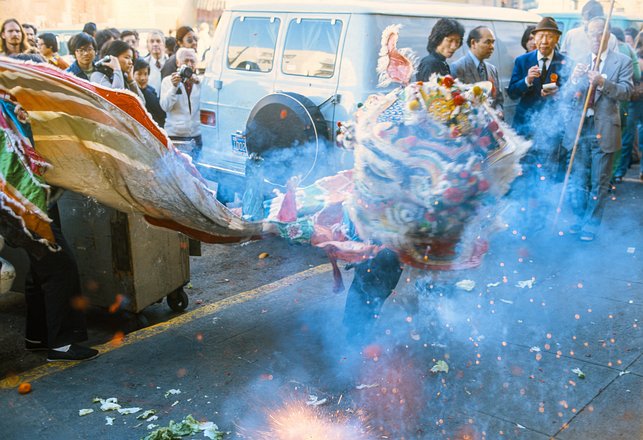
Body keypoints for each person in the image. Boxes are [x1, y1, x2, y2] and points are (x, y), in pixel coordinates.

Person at [563, 17, 633, 241]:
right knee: (579, 179)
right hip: (580, 128)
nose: (595, 37)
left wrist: (602, 82)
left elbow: (626, 93)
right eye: (591, 33)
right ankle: (579, 218)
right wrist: (574, 80)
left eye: (600, 33)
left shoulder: (621, 61)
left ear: (608, 35)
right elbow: (566, 97)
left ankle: (591, 224)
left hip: (605, 127)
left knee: (599, 180)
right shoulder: (580, 61)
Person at [508, 17, 569, 230]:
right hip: (524, 126)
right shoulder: (523, 61)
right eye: (541, 35)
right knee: (523, 171)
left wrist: (558, 94)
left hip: (551, 127)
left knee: (547, 171)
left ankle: (543, 219)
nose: (544, 40)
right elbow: (512, 93)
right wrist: (526, 80)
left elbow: (571, 94)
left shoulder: (563, 62)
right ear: (534, 37)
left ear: (556, 39)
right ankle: (521, 217)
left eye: (549, 36)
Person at [451, 26, 504, 117]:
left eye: (493, 42)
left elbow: (498, 99)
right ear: (473, 43)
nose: (492, 47)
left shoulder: (492, 69)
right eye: (488, 42)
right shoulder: (458, 67)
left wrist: (499, 111)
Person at [160, 47, 202, 160]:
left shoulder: (200, 82)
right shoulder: (168, 81)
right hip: (175, 135)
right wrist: (174, 87)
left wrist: (198, 82)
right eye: (186, 61)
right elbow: (165, 106)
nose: (189, 64)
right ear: (178, 63)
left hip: (196, 135)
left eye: (192, 61)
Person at [612, 27, 642, 183]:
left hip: (621, 100)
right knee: (625, 135)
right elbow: (637, 75)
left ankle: (614, 173)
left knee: (623, 135)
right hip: (628, 100)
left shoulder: (615, 49)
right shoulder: (629, 50)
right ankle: (619, 172)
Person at [133, 58, 166, 127]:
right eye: (139, 74)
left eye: (146, 74)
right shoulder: (130, 92)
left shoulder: (151, 92)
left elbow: (161, 115)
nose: (143, 78)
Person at [144, 31, 167, 95]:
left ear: (164, 44)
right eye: (152, 41)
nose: (155, 44)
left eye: (158, 41)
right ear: (147, 45)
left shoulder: (170, 62)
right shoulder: (144, 63)